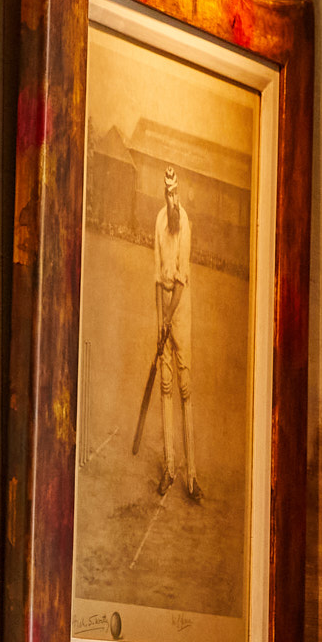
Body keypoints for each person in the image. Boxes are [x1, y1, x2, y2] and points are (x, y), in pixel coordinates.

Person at [134, 165, 199, 502]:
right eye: (167, 193)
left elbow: (182, 278)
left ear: (180, 194)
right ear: (163, 193)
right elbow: (158, 277)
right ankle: (170, 469)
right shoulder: (159, 221)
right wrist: (160, 320)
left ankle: (192, 477)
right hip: (164, 307)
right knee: (165, 385)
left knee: (185, 388)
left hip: (182, 309)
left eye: (176, 194)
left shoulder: (184, 222)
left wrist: (172, 319)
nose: (172, 199)